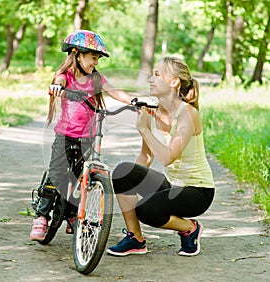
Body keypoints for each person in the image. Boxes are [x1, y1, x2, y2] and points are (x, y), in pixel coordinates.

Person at [106, 56, 215, 257]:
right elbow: (146, 157)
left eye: (157, 74)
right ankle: (135, 239)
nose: (150, 78)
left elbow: (167, 158)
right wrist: (122, 187)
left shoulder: (187, 114)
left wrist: (144, 129)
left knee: (147, 209)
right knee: (123, 171)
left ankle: (189, 228)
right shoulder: (154, 113)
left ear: (174, 82)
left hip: (197, 191)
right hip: (172, 185)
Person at [30, 30, 132, 241]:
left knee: (79, 179)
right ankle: (42, 216)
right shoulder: (66, 76)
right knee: (58, 173)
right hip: (66, 135)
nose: (95, 62)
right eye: (92, 56)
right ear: (76, 53)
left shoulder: (96, 79)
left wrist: (133, 102)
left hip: (88, 137)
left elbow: (115, 91)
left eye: (97, 58)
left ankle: (72, 214)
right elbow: (59, 79)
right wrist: (57, 86)